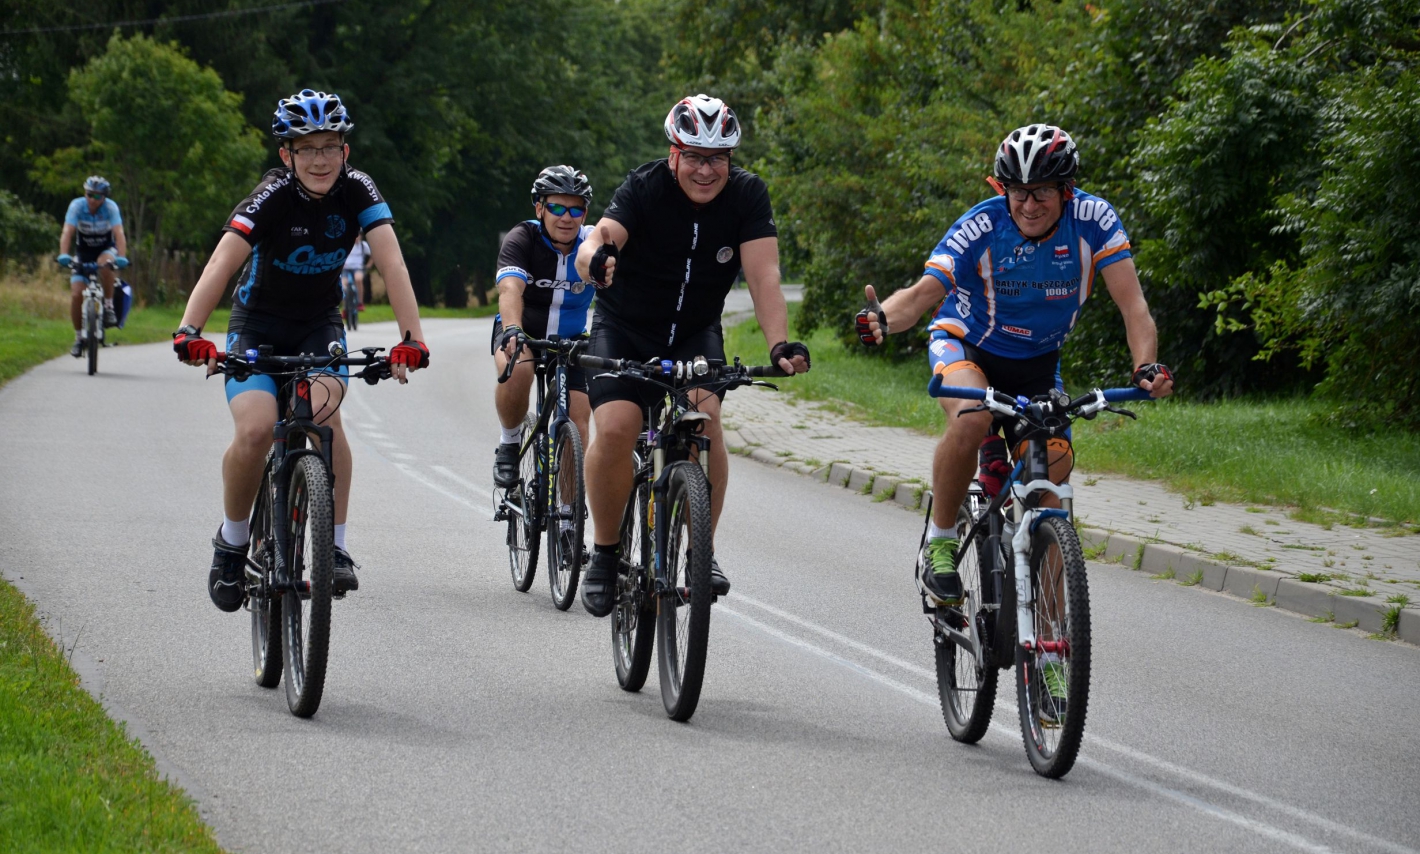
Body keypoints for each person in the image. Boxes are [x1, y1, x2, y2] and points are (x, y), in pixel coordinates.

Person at [855, 123, 1174, 607]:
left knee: (1054, 479)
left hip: (1038, 365)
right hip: (967, 347)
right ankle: (940, 544)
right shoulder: (982, 226)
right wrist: (882, 318)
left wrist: (1145, 368)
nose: (1028, 204)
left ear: (1066, 190)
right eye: (1018, 192)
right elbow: (922, 295)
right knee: (972, 418)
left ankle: (1050, 642)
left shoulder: (1093, 220)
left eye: (1042, 191)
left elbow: (1134, 309)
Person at [172, 89, 430, 613]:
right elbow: (220, 265)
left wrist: (412, 340)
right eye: (306, 148)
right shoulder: (270, 197)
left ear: (345, 151)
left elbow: (392, 264)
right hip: (256, 326)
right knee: (254, 427)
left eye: (330, 146)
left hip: (318, 326)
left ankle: (333, 547)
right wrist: (189, 330)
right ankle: (233, 540)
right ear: (286, 155)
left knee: (327, 418)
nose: (319, 159)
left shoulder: (358, 191)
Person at [573, 94, 811, 618]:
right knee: (614, 426)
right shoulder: (644, 186)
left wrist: (779, 344)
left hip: (693, 333)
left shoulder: (748, 196)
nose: (706, 170)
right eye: (695, 156)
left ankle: (701, 551)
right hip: (625, 327)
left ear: (730, 159)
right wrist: (597, 259)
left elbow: (764, 275)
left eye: (718, 158)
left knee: (705, 420)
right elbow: (599, 237)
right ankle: (606, 554)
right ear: (674, 153)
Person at [492, 165, 595, 493]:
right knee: (518, 368)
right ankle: (509, 443)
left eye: (575, 208)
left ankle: (567, 517)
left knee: (577, 425)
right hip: (522, 332)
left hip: (572, 342)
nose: (566, 217)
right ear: (539, 208)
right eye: (556, 207)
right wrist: (512, 328)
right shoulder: (522, 238)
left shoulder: (592, 244)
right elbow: (509, 289)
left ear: (585, 212)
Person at [56, 176, 128, 356]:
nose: (92, 199)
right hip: (83, 252)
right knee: (76, 294)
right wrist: (64, 254)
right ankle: (79, 338)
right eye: (89, 194)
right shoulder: (76, 206)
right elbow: (67, 231)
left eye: (97, 196)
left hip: (105, 249)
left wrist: (122, 256)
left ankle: (109, 307)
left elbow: (119, 233)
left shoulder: (110, 208)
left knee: (105, 264)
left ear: (104, 197)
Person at [342, 230, 370, 318]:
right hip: (346, 268)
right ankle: (345, 308)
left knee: (358, 279)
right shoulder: (346, 243)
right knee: (343, 286)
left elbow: (372, 254)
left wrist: (368, 265)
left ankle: (360, 302)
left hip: (358, 268)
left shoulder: (363, 245)